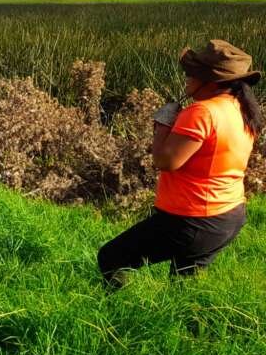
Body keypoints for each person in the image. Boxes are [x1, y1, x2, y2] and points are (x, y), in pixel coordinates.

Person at [98, 39, 262, 286]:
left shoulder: (202, 112)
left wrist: (162, 124)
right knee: (183, 287)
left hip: (191, 220)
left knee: (111, 257)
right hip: (228, 215)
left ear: (210, 80)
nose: (186, 77)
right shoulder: (242, 109)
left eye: (191, 73)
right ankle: (188, 322)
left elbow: (166, 161)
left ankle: (118, 312)